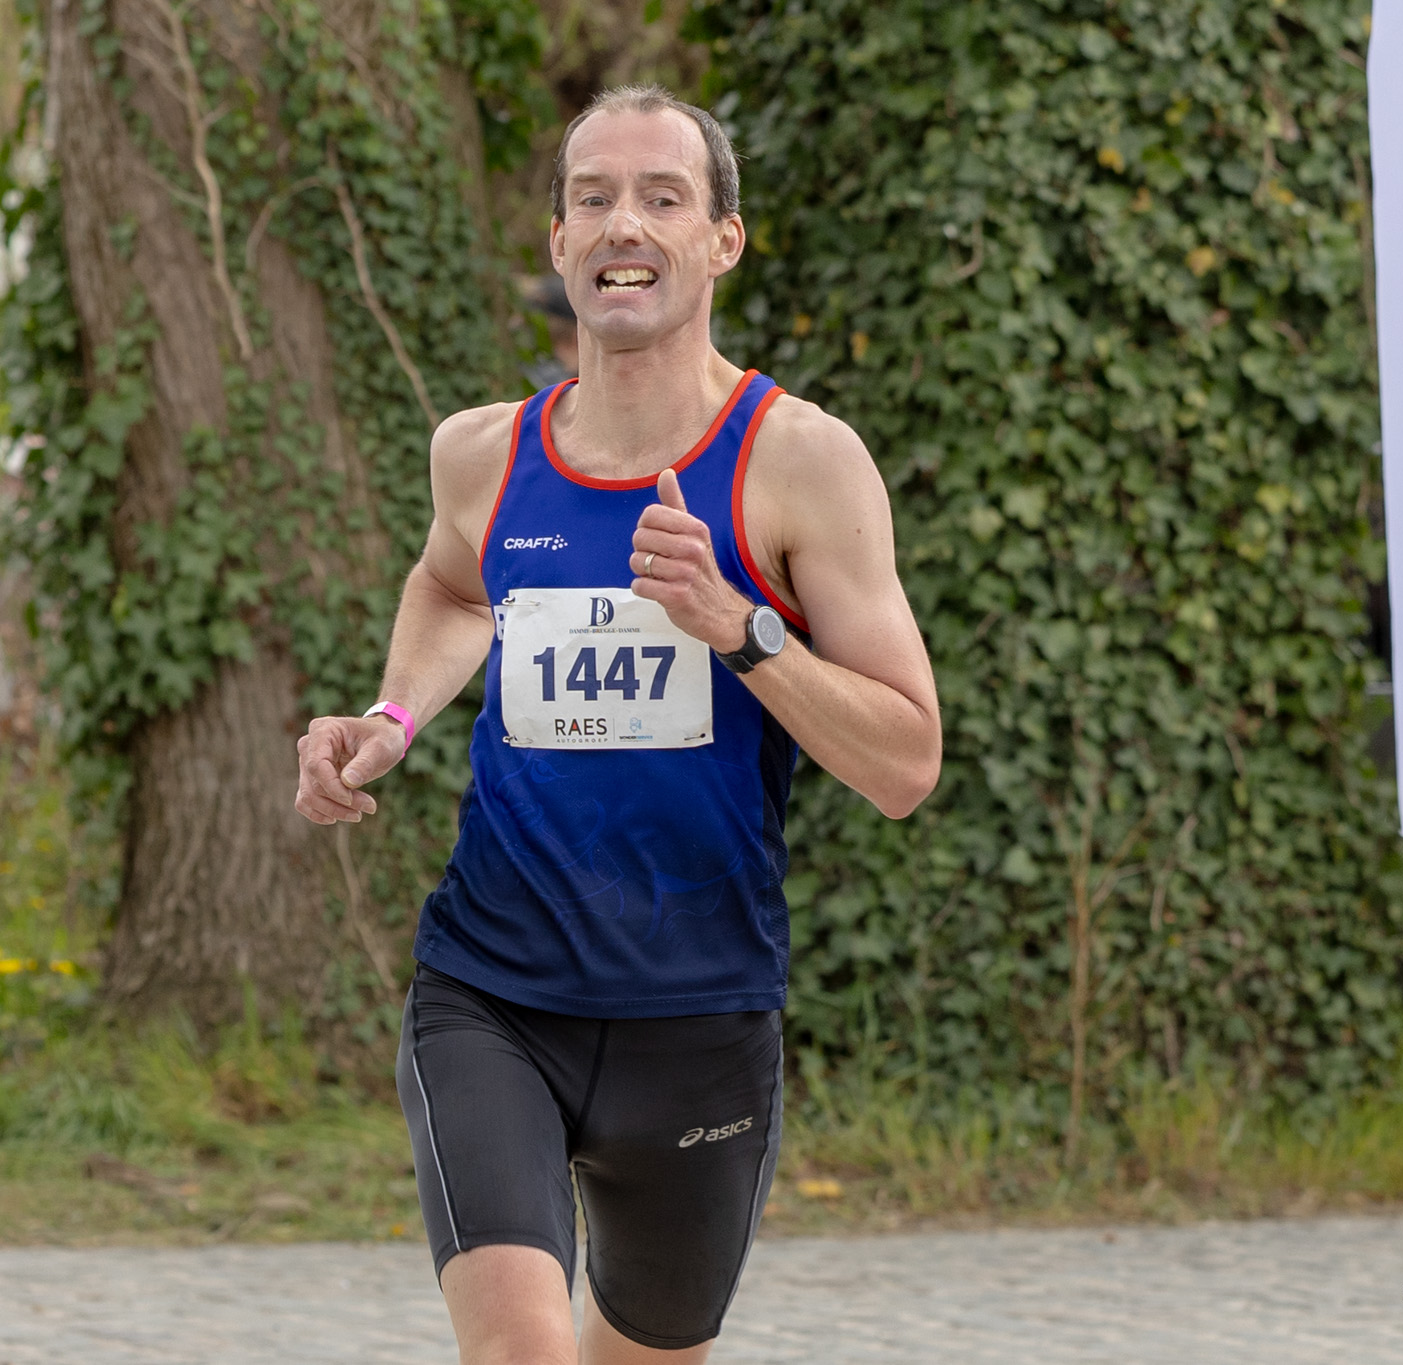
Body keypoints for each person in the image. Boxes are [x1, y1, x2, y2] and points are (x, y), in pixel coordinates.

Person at [294, 84, 942, 1364]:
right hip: (490, 993)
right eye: (590, 198)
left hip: (699, 1016)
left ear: (721, 240)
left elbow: (905, 761)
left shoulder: (801, 462)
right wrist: (391, 714)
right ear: (557, 241)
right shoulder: (482, 454)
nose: (620, 224)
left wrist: (739, 627)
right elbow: (452, 588)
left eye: (660, 197)